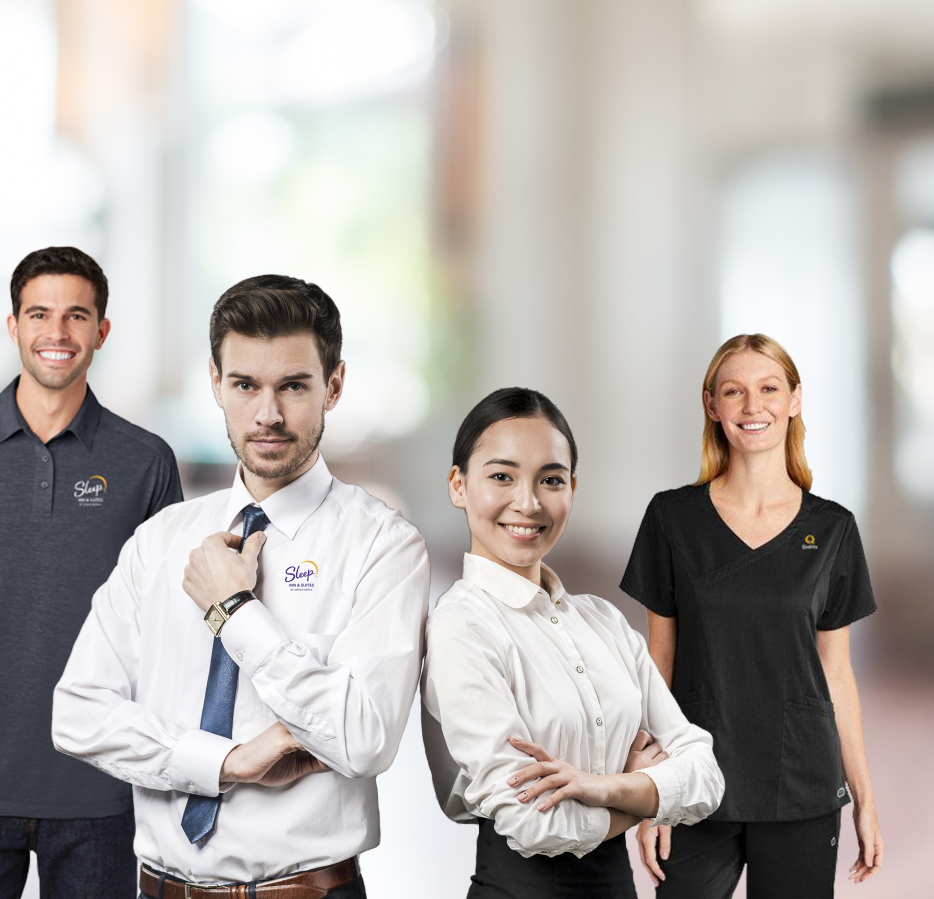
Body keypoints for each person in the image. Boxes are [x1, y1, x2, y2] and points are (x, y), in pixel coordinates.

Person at [52, 274, 430, 898]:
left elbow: (364, 738)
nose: (268, 414)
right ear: (216, 384)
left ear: (333, 386)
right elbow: (77, 713)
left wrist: (235, 612)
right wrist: (222, 764)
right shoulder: (160, 541)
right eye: (246, 385)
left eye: (294, 386)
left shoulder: (384, 546)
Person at [0, 247, 183, 898]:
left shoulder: (145, 461)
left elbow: (171, 630)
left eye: (76, 316)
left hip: (102, 792)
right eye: (39, 314)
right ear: (13, 326)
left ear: (101, 331)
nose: (57, 334)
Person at [421, 388, 724, 898]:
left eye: (551, 480)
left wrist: (597, 787)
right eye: (501, 476)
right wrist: (642, 796)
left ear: (571, 489)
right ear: (458, 485)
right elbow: (531, 823)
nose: (529, 502)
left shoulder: (602, 621)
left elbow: (706, 776)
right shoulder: (462, 627)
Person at [622, 333, 882, 898]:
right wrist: (651, 788)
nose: (751, 406)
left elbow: (836, 674)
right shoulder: (672, 519)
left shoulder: (832, 529)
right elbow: (657, 664)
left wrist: (863, 795)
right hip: (695, 778)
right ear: (712, 406)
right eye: (734, 391)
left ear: (794, 400)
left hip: (801, 783)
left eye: (768, 389)